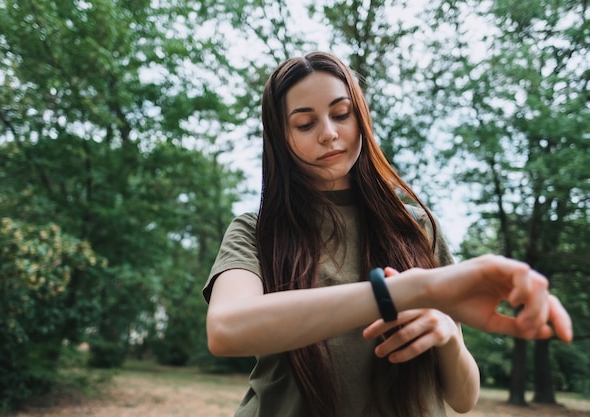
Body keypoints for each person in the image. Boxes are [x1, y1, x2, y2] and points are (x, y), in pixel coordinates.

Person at [202, 51, 572, 417]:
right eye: (304, 123)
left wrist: (446, 335)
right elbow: (226, 329)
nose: (329, 133)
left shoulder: (416, 226)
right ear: (280, 138)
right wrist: (403, 292)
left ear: (361, 117)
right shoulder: (255, 231)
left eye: (341, 114)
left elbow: (464, 398)